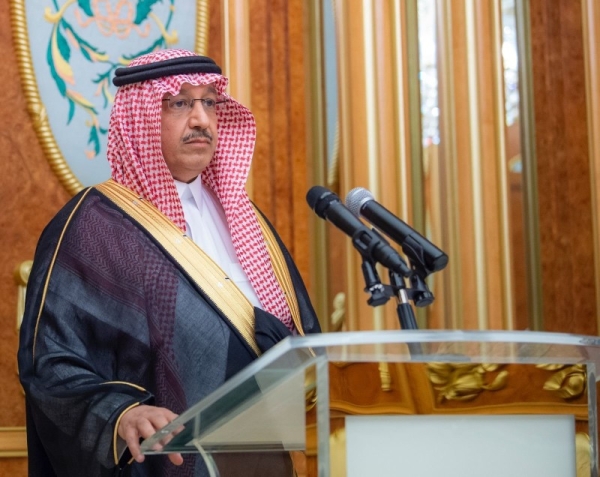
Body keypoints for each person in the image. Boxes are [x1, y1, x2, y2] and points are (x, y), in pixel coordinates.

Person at [18, 48, 321, 477]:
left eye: (209, 103)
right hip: (160, 463)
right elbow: (49, 362)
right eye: (179, 103)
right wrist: (119, 415)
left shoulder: (245, 220)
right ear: (139, 119)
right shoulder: (93, 225)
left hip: (261, 455)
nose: (201, 119)